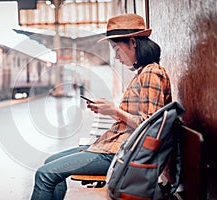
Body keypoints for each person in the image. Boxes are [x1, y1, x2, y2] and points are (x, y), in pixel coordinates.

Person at [30, 13, 172, 200]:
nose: (117, 56)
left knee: (46, 174)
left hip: (124, 154)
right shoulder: (143, 73)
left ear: (133, 42)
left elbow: (148, 128)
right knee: (50, 164)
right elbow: (139, 121)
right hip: (118, 146)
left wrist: (114, 110)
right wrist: (110, 111)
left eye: (117, 49)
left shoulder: (151, 74)